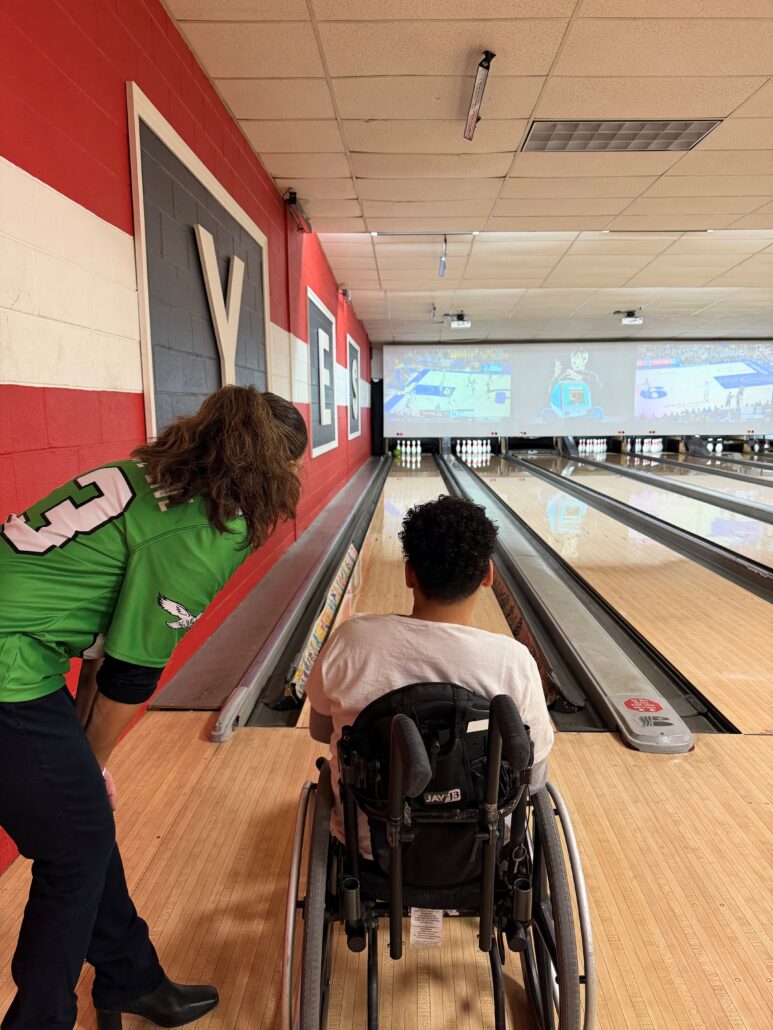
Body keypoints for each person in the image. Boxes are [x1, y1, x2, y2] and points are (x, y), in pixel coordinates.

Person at [0, 386, 307, 1030]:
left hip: (20, 654)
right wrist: (94, 763)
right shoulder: (208, 529)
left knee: (83, 825)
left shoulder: (147, 477)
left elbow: (104, 650)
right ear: (272, 471)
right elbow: (132, 672)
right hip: (9, 666)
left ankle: (129, 979)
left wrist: (88, 764)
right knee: (75, 849)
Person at [306, 495, 554, 857]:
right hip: (480, 854)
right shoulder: (513, 661)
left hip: (370, 848)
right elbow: (532, 774)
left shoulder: (351, 641)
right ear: (488, 575)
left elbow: (318, 730)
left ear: (409, 573)